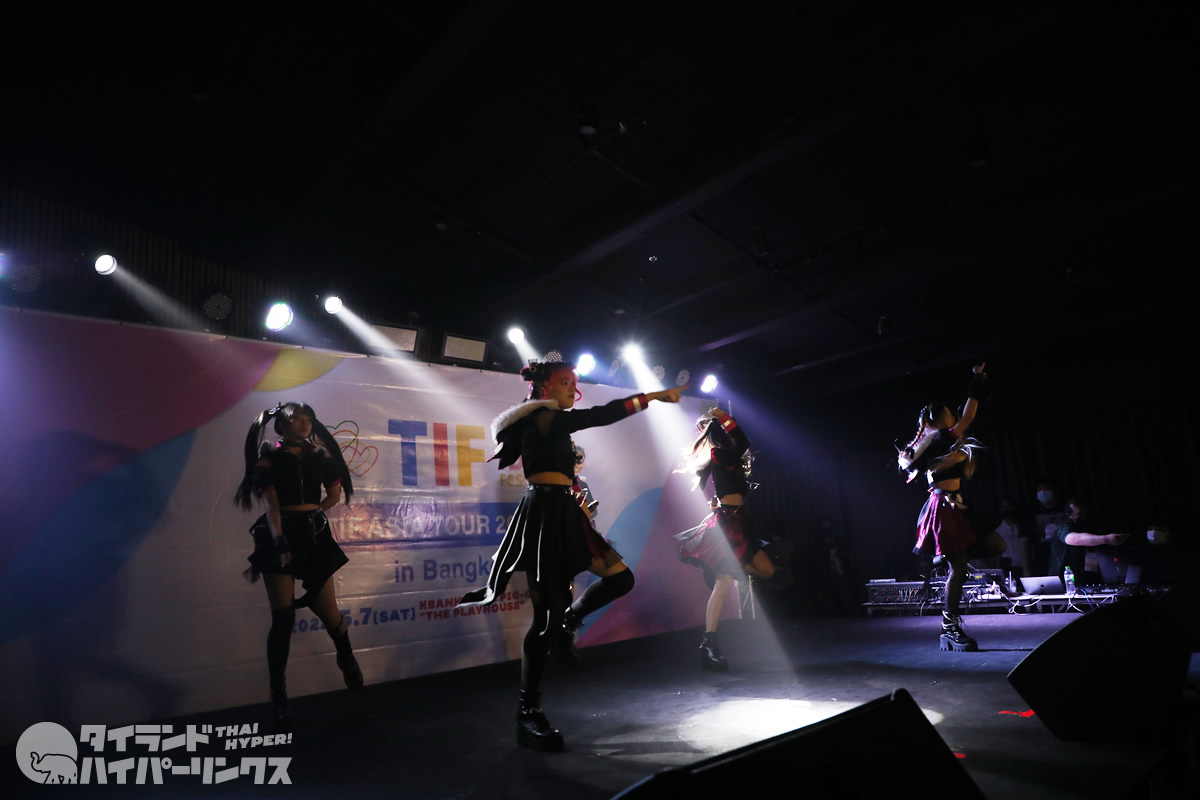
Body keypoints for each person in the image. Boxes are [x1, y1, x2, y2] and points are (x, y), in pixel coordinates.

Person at [460, 362, 686, 751]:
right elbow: (600, 415)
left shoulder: (549, 421)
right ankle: (528, 712)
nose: (571, 389)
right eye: (564, 382)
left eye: (573, 383)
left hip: (565, 511)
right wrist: (650, 397)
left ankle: (569, 621)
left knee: (620, 579)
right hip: (545, 514)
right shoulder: (544, 417)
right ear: (544, 387)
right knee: (543, 622)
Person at [235, 402, 362, 729]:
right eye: (298, 419)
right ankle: (279, 697)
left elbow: (333, 496)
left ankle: (345, 653)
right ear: (283, 424)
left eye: (309, 419)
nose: (305, 424)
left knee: (330, 613)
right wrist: (280, 541)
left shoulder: (322, 457)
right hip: (277, 535)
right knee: (283, 618)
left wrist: (312, 517)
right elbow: (271, 504)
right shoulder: (269, 459)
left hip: (313, 536)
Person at [896, 363, 1005, 651]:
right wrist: (977, 380)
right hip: (943, 507)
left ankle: (941, 558)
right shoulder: (942, 439)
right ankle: (949, 627)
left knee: (996, 545)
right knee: (959, 567)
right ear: (941, 418)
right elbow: (969, 415)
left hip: (956, 505)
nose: (954, 416)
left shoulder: (939, 442)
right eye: (949, 413)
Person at [674, 406, 775, 670]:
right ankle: (708, 644)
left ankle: (733, 564)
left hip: (741, 523)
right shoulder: (719, 454)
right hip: (728, 526)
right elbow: (742, 441)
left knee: (766, 570)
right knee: (724, 584)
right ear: (722, 434)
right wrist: (723, 416)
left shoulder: (726, 458)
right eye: (727, 431)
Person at [1049, 499, 1129, 583]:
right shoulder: (1063, 528)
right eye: (1079, 514)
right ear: (1069, 515)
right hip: (1061, 580)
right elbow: (1075, 540)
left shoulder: (1088, 527)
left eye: (1085, 513)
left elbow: (1091, 558)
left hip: (1083, 579)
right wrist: (1108, 539)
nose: (1084, 516)